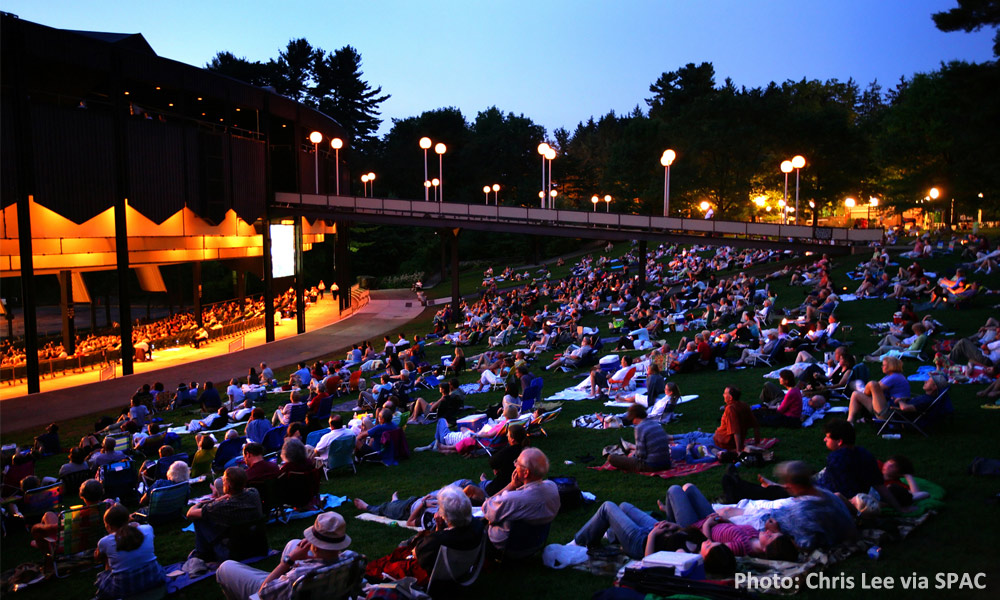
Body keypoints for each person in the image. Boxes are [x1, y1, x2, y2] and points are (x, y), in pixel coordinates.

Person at [216, 512, 357, 600]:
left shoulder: (299, 577)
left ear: (314, 544)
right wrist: (311, 559)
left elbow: (261, 594)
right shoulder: (353, 558)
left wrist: (288, 562)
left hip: (282, 591)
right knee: (294, 544)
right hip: (328, 590)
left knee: (226, 567)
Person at [363, 486, 485, 587]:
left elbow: (417, 555)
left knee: (379, 568)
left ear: (446, 515)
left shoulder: (437, 540)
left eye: (441, 508)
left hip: (433, 575)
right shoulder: (477, 526)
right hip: (459, 569)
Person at [481, 447, 561, 552]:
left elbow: (486, 508)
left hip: (506, 547)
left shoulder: (513, 499)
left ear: (526, 473)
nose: (514, 465)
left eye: (517, 463)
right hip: (535, 543)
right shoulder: (552, 487)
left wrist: (511, 485)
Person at [186, 467, 264, 561]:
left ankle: (202, 554)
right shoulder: (253, 493)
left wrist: (201, 503)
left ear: (228, 485)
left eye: (223, 481)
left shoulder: (222, 507)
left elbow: (190, 513)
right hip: (256, 545)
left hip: (232, 552)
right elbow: (235, 495)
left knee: (199, 519)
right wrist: (217, 499)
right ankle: (202, 552)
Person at [94, 504, 166, 599]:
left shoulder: (105, 541)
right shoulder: (147, 528)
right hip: (156, 578)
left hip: (124, 589)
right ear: (128, 518)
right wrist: (136, 525)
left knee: (105, 564)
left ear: (108, 526)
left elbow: (97, 558)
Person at [608, 404, 672, 472]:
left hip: (652, 465)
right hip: (666, 463)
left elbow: (641, 455)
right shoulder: (656, 424)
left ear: (634, 417)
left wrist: (632, 456)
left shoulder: (639, 428)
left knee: (611, 458)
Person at [847, 356, 910, 424]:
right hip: (888, 407)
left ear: (890, 366)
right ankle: (850, 422)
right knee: (856, 394)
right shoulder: (892, 376)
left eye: (883, 365)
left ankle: (852, 420)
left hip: (891, 412)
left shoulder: (894, 377)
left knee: (872, 384)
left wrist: (864, 393)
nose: (881, 367)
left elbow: (874, 389)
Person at [481, 423, 528, 496]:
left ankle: (484, 481)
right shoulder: (528, 451)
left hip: (502, 487)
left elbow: (492, 462)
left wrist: (496, 467)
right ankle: (485, 481)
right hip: (522, 484)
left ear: (512, 439)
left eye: (508, 434)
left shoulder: (509, 452)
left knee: (474, 485)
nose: (506, 436)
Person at [714, 386, 761, 453]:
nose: (723, 395)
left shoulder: (730, 409)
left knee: (695, 436)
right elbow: (756, 425)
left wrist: (738, 450)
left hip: (722, 442)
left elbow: (736, 431)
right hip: (725, 438)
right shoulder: (744, 405)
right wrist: (757, 442)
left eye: (725, 393)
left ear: (730, 397)